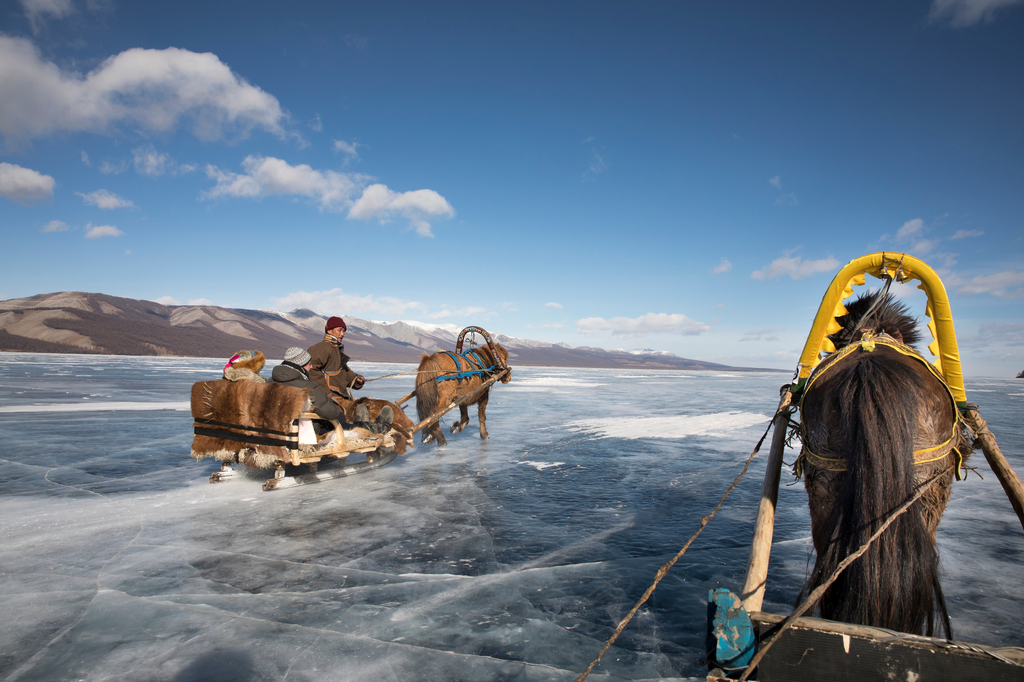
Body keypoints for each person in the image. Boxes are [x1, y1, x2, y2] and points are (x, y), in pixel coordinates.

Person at [272, 347, 392, 434]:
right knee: (337, 420)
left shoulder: (268, 384)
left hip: (276, 432)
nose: (311, 367)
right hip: (305, 434)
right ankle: (376, 429)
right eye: (309, 364)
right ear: (300, 366)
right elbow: (332, 412)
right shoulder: (307, 387)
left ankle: (359, 423)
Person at [307, 316, 365, 399]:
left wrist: (356, 379)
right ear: (329, 330)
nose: (342, 334)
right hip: (329, 398)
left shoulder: (336, 350)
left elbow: (344, 373)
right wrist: (326, 394)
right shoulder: (321, 347)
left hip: (340, 396)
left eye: (344, 331)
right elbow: (311, 370)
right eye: (339, 330)